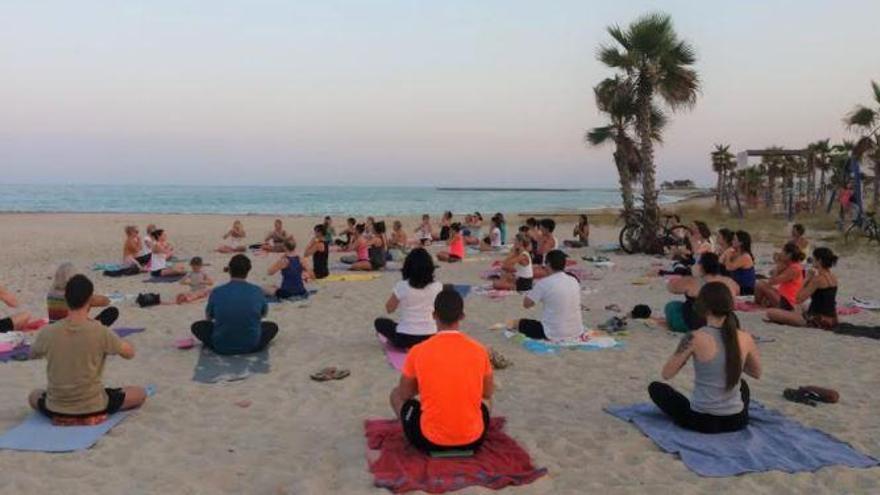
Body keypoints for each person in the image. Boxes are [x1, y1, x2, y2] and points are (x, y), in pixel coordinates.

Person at [29, 274, 147, 421]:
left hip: (56, 407)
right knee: (140, 393)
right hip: (93, 406)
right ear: (90, 300)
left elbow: (32, 353)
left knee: (34, 396)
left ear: (66, 299)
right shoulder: (101, 331)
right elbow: (129, 353)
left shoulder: (48, 332)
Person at [389, 287, 493, 452]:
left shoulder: (418, 351)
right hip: (474, 440)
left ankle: (411, 433)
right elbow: (487, 393)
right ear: (462, 316)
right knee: (486, 402)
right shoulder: (479, 350)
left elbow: (405, 394)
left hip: (428, 440)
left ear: (434, 315)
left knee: (395, 394)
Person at [648, 282, 761, 433]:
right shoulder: (745, 337)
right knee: (742, 385)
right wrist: (735, 359)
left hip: (702, 421)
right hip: (737, 421)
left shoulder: (695, 337)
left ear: (702, 307)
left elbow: (667, 374)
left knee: (656, 388)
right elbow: (756, 373)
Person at [191, 255, 278, 354]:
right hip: (251, 345)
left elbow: (209, 317)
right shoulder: (257, 291)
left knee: (198, 326)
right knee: (271, 327)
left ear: (230, 270)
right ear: (248, 271)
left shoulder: (217, 291)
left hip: (221, 345)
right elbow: (263, 314)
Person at [374, 248, 443, 348]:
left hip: (405, 338)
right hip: (430, 336)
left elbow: (389, 309)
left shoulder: (402, 285)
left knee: (380, 322)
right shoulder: (438, 286)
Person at [509, 250, 582, 341]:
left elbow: (526, 304)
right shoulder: (573, 280)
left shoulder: (544, 283)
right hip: (576, 330)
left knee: (518, 323)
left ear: (548, 264)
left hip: (552, 333)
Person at [664, 253, 740, 333]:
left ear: (701, 267)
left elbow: (671, 288)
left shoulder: (693, 281)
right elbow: (737, 291)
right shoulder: (730, 282)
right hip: (728, 322)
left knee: (672, 306)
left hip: (698, 323)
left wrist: (693, 275)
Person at [765, 247, 839, 329]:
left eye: (813, 259)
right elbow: (830, 301)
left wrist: (807, 279)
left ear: (819, 261)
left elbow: (798, 299)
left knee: (770, 312)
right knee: (802, 307)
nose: (812, 261)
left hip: (817, 319)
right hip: (832, 318)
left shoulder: (817, 280)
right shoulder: (833, 277)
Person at [47, 263, 119, 326]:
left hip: (55, 329)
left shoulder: (51, 294)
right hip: (76, 331)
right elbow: (105, 301)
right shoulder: (76, 294)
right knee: (112, 312)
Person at [755, 242, 805, 310]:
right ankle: (761, 304)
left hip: (788, 303)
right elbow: (771, 273)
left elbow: (772, 281)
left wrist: (778, 263)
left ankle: (756, 305)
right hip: (783, 297)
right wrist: (780, 264)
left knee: (760, 284)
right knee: (763, 290)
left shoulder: (795, 268)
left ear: (789, 255)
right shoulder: (789, 264)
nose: (781, 253)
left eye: (783, 251)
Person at [724, 230, 756, 296]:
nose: (732, 241)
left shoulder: (745, 256)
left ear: (740, 243)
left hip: (746, 289)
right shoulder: (736, 254)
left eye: (734, 239)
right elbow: (720, 262)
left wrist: (727, 255)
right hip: (737, 285)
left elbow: (729, 268)